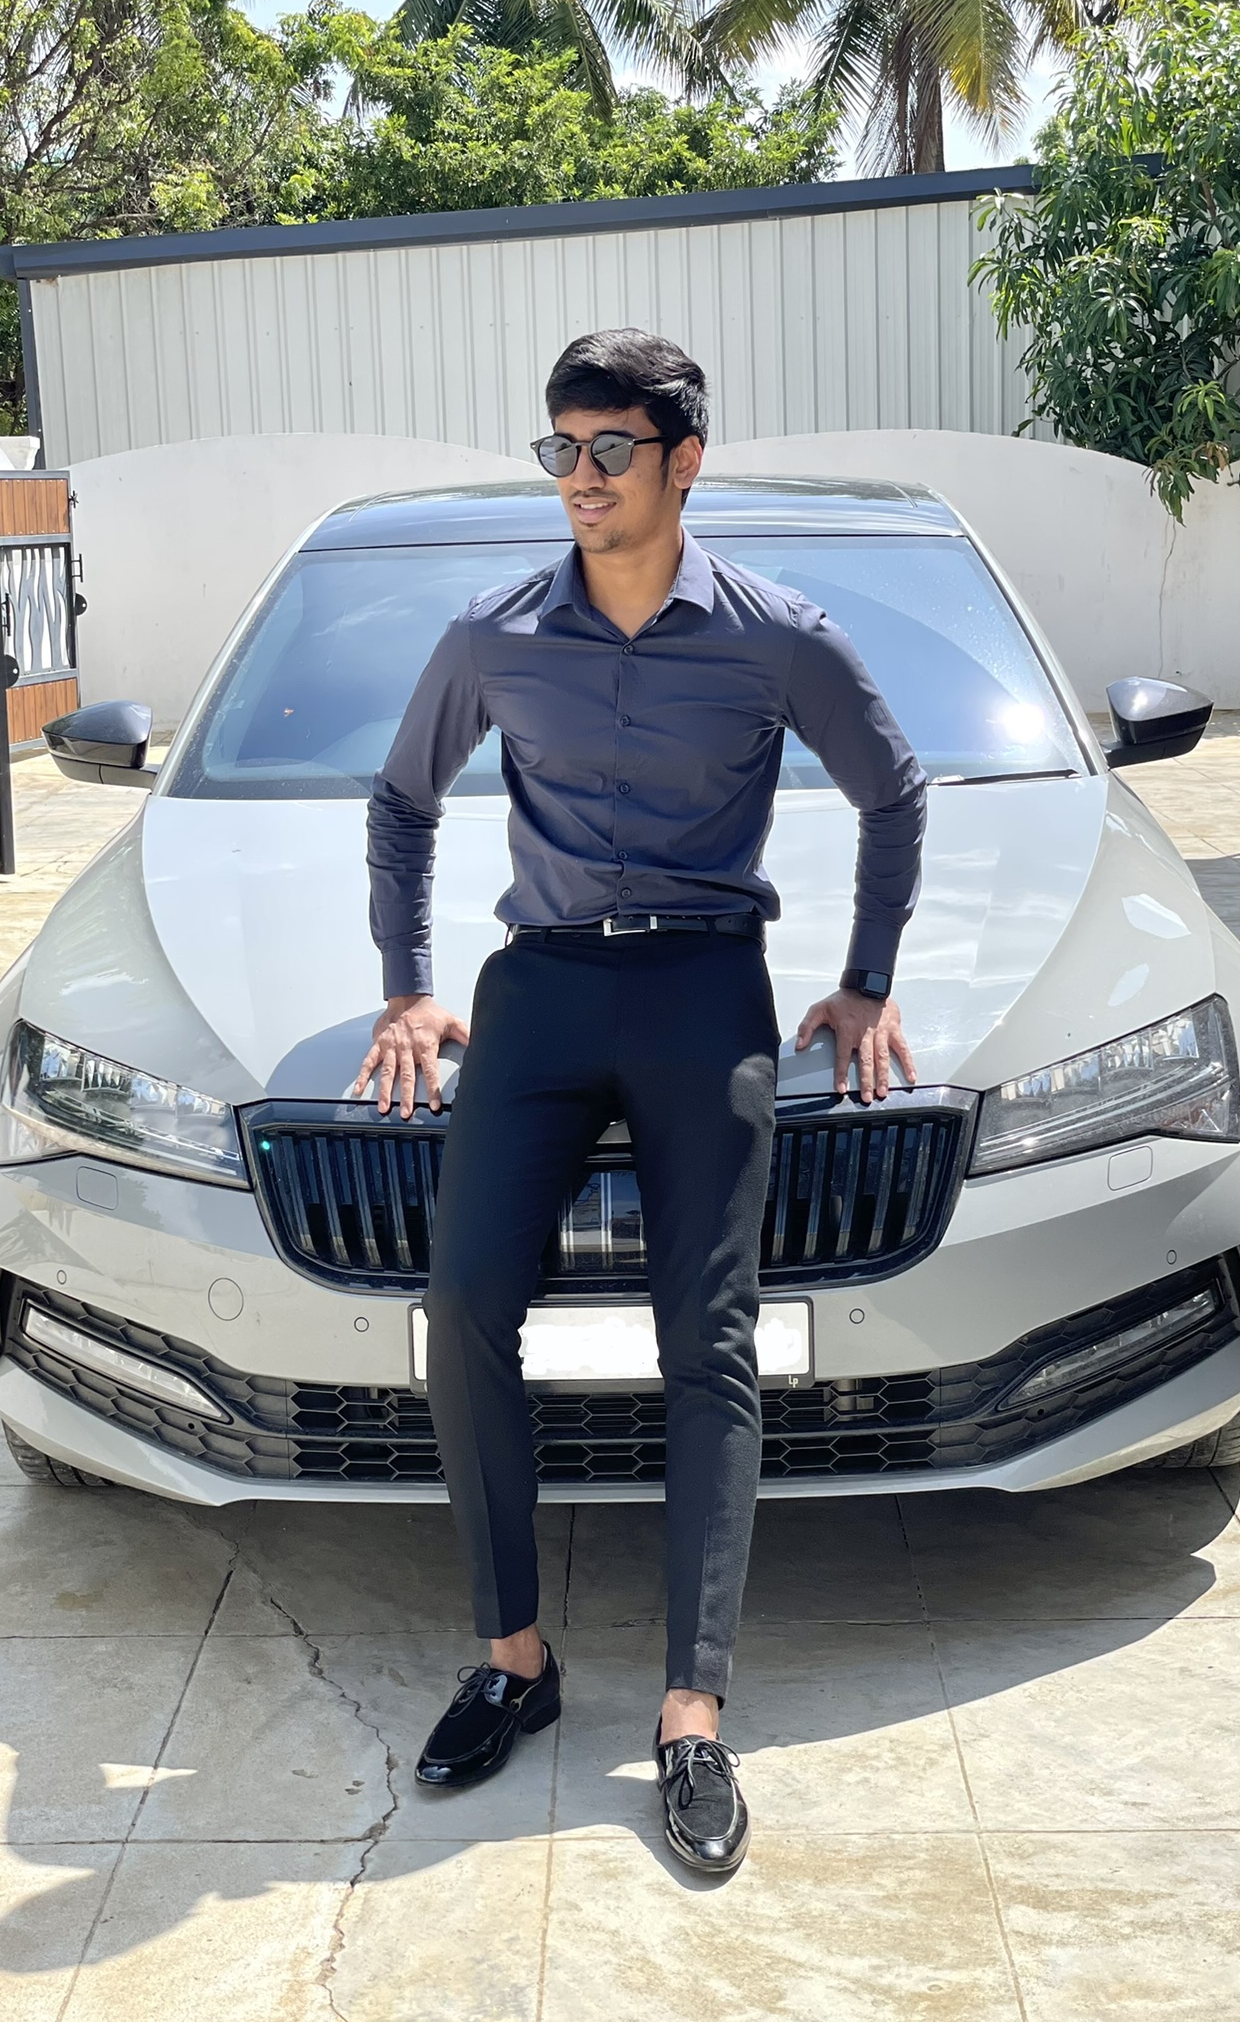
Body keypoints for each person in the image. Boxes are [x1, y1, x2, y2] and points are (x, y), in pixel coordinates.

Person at [357, 328, 926, 1875]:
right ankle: (514, 1660)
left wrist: (865, 980)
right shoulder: (491, 637)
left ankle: (690, 1708)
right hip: (539, 991)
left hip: (701, 990)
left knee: (708, 1336)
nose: (581, 477)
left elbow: (892, 790)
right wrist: (408, 985)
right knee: (463, 1303)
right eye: (561, 449)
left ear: (684, 460)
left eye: (610, 448)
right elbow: (403, 801)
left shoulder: (776, 637)